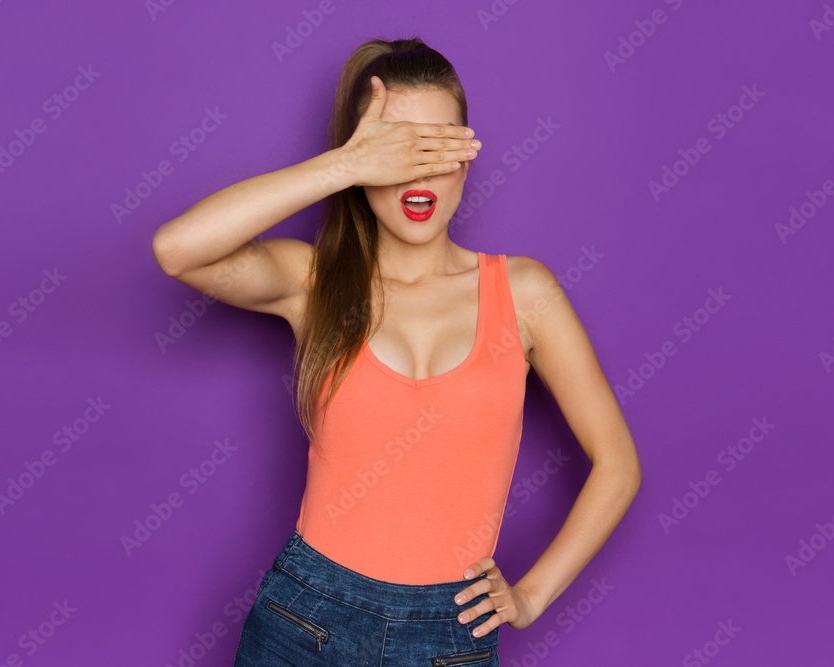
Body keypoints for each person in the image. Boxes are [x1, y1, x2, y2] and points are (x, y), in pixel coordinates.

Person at [151, 36, 641, 667]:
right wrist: (344, 165)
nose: (418, 172)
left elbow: (617, 463)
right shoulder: (314, 281)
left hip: (447, 635)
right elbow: (177, 250)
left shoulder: (525, 292)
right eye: (398, 149)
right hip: (304, 617)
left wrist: (531, 595)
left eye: (437, 148)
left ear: (468, 157)